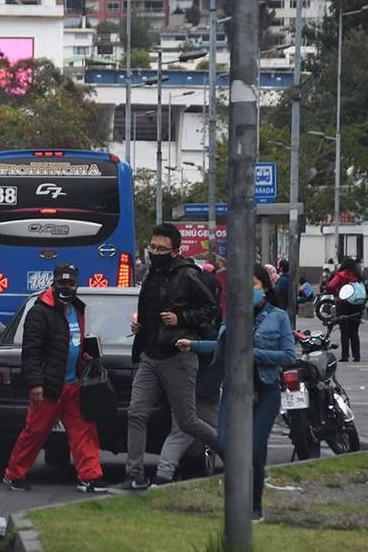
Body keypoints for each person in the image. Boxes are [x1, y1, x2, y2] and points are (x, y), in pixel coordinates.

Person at [177, 264, 296, 522]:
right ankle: (241, 491)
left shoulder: (278, 316)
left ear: (264, 287)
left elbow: (288, 355)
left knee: (254, 448)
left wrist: (251, 354)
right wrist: (194, 345)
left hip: (264, 391)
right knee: (223, 444)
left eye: (252, 285)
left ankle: (253, 505)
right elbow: (223, 348)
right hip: (233, 391)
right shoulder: (233, 315)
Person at [111, 223, 220, 493]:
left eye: (161, 248)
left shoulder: (188, 275)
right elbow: (149, 309)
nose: (155, 252)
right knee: (136, 412)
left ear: (175, 251)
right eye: (152, 247)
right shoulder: (150, 275)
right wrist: (141, 325)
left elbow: (210, 309)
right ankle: (135, 475)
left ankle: (237, 459)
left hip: (177, 355)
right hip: (149, 354)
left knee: (187, 421)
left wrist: (180, 318)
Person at [2, 262, 109, 493]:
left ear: (76, 284)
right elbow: (31, 351)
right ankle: (14, 474)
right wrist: (36, 383)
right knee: (35, 432)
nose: (66, 287)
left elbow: (71, 341)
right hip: (50, 385)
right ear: (53, 282)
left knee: (84, 431)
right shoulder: (39, 311)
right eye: (62, 283)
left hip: (73, 384)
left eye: (71, 283)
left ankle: (90, 476)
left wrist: (83, 356)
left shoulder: (77, 308)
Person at [151, 262, 224, 486]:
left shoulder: (189, 315)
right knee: (188, 429)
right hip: (197, 383)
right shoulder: (200, 318)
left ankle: (164, 476)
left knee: (186, 430)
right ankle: (164, 476)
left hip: (196, 384)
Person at [326, 256, 364, 363]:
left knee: (344, 332)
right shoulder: (358, 275)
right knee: (354, 332)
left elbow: (331, 285)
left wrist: (338, 293)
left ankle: (345, 355)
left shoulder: (341, 275)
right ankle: (357, 356)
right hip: (357, 306)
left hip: (344, 305)